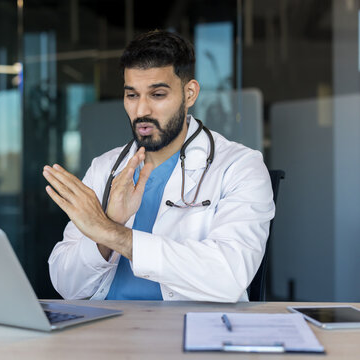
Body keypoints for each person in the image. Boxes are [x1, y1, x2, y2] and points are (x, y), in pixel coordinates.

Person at [42, 30, 275, 302]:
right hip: (106, 330)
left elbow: (228, 277)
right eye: (132, 95)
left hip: (189, 332)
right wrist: (107, 234)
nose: (142, 110)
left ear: (189, 93)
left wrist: (112, 231)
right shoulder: (105, 168)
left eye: (157, 94)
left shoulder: (239, 167)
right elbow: (66, 285)